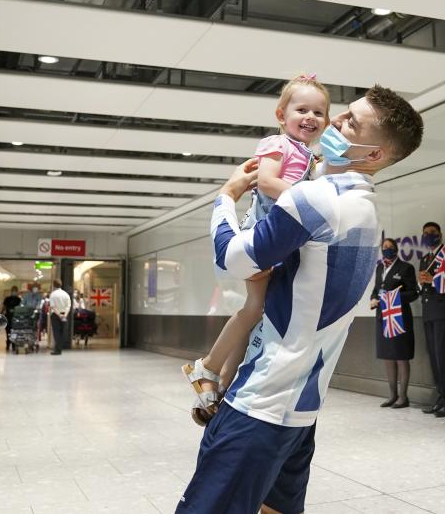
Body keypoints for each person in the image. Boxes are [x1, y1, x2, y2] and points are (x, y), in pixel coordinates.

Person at [177, 85, 423, 514]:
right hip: (301, 410)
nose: (335, 122)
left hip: (260, 406)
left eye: (352, 123)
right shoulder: (364, 210)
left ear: (374, 155)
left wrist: (226, 196)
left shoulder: (316, 199)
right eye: (344, 114)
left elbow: (233, 257)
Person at [182, 74, 329, 426]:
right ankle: (208, 367)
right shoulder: (278, 144)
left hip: (280, 239)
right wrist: (308, 197)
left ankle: (221, 389)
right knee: (254, 307)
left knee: (259, 311)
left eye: (319, 112)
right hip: (263, 237)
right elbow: (266, 182)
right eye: (302, 109)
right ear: (282, 115)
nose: (310, 116)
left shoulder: (310, 155)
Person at [417, 222, 445, 418]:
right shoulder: (425, 258)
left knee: (443, 360)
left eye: (432, 232)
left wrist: (432, 280)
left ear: (440, 234)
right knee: (434, 360)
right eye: (425, 233)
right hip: (429, 313)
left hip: (444, 312)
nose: (429, 235)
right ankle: (441, 398)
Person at [369, 238, 419, 409]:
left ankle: (403, 397)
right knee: (388, 357)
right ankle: (392, 395)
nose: (387, 250)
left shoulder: (406, 268)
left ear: (397, 249)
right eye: (385, 248)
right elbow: (376, 290)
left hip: (399, 318)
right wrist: (373, 299)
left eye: (390, 247)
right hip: (383, 318)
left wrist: (393, 297)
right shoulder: (380, 268)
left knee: (401, 356)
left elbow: (413, 293)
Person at [48, 280, 71, 355]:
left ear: (53, 285)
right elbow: (68, 306)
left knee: (56, 332)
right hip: (64, 314)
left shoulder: (53, 294)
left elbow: (53, 307)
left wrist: (59, 315)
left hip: (55, 315)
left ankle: (57, 350)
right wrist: (64, 315)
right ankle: (59, 348)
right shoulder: (66, 294)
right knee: (62, 332)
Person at [0, 286, 22, 351]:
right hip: (8, 317)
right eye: (13, 291)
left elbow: (20, 308)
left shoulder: (18, 299)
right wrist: (1, 314)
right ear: (11, 291)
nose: (14, 292)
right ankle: (8, 344)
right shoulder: (7, 299)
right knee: (8, 331)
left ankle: (13, 345)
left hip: (15, 317)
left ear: (17, 292)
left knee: (14, 331)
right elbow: (4, 307)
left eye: (15, 291)